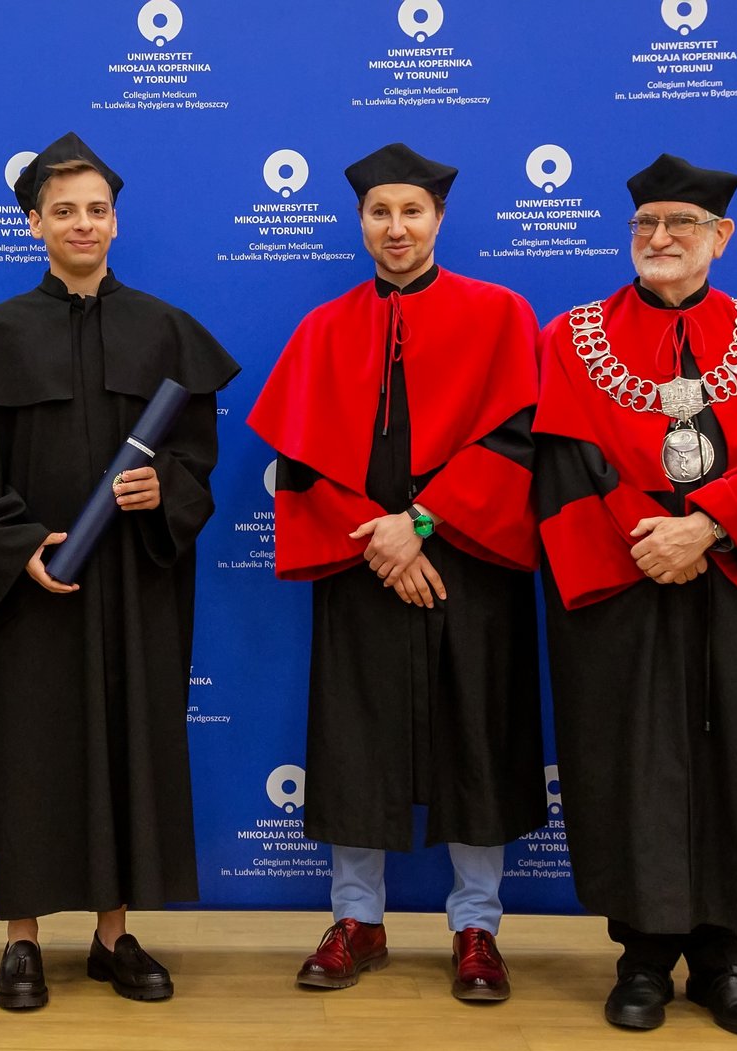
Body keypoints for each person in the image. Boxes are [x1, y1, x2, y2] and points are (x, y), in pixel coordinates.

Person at [534, 153, 737, 1036]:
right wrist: (653, 544)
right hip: (621, 590)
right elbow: (566, 467)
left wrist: (708, 528)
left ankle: (725, 963)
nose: (661, 237)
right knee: (628, 764)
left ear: (721, 237)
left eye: (681, 223)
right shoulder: (573, 338)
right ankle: (641, 958)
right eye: (646, 223)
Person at [0, 131, 238, 1010]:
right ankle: (21, 940)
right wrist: (18, 548)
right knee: (28, 755)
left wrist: (163, 490)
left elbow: (198, 466)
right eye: (63, 211)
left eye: (97, 209)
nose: (82, 223)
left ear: (116, 222)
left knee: (131, 744)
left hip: (137, 583)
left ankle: (113, 934)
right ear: (34, 225)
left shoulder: (165, 331)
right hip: (28, 593)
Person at [247, 143, 544, 1003]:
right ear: (360, 222)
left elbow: (520, 438)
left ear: (439, 218)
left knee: (477, 731)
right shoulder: (324, 329)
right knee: (357, 736)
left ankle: (477, 926)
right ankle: (358, 919)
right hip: (360, 559)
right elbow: (301, 461)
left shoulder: (500, 315)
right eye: (380, 212)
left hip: (470, 560)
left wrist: (420, 525)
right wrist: (383, 543)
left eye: (412, 211)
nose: (396, 227)